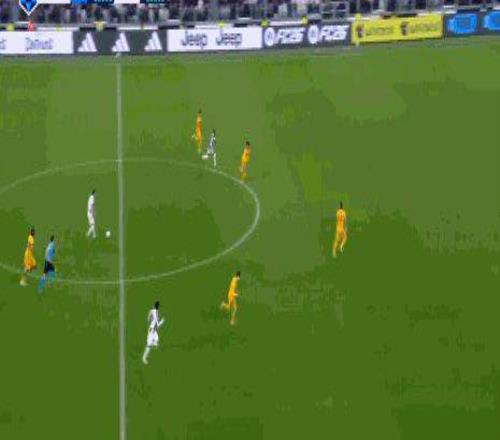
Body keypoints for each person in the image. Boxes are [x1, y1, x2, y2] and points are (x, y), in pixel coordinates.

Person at [142, 301, 165, 365]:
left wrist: (152, 320)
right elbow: (158, 325)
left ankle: (151, 344)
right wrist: (162, 321)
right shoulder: (157, 313)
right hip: (151, 331)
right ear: (158, 307)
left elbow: (148, 319)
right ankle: (144, 358)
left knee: (156, 343)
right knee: (149, 345)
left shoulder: (151, 311)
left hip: (153, 330)